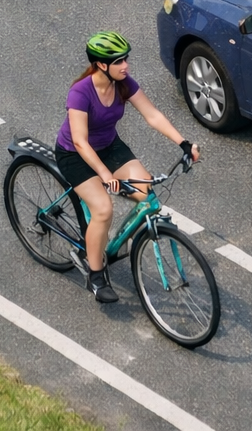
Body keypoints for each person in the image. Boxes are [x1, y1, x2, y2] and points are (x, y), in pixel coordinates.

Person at [55, 31, 200, 304]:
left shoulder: (123, 84)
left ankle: (119, 240)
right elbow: (80, 141)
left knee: (146, 194)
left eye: (126, 59)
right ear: (101, 65)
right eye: (119, 61)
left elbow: (152, 115)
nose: (126, 66)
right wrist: (104, 174)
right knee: (103, 209)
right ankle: (95, 275)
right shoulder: (80, 92)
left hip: (110, 147)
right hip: (75, 154)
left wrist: (184, 143)